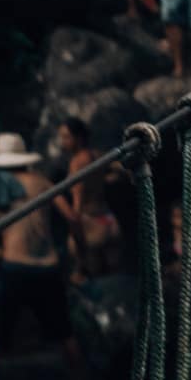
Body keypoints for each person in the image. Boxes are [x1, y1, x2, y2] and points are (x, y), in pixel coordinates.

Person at [0, 135, 91, 380]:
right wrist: (80, 258)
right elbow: (72, 217)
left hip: (14, 266)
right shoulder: (41, 181)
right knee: (65, 335)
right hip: (47, 267)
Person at [54, 117, 121, 281]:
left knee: (89, 279)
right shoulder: (96, 155)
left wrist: (76, 235)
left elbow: (78, 199)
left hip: (90, 224)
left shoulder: (77, 162)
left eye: (67, 137)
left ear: (79, 138)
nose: (63, 142)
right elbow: (121, 171)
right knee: (113, 278)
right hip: (109, 220)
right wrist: (104, 180)